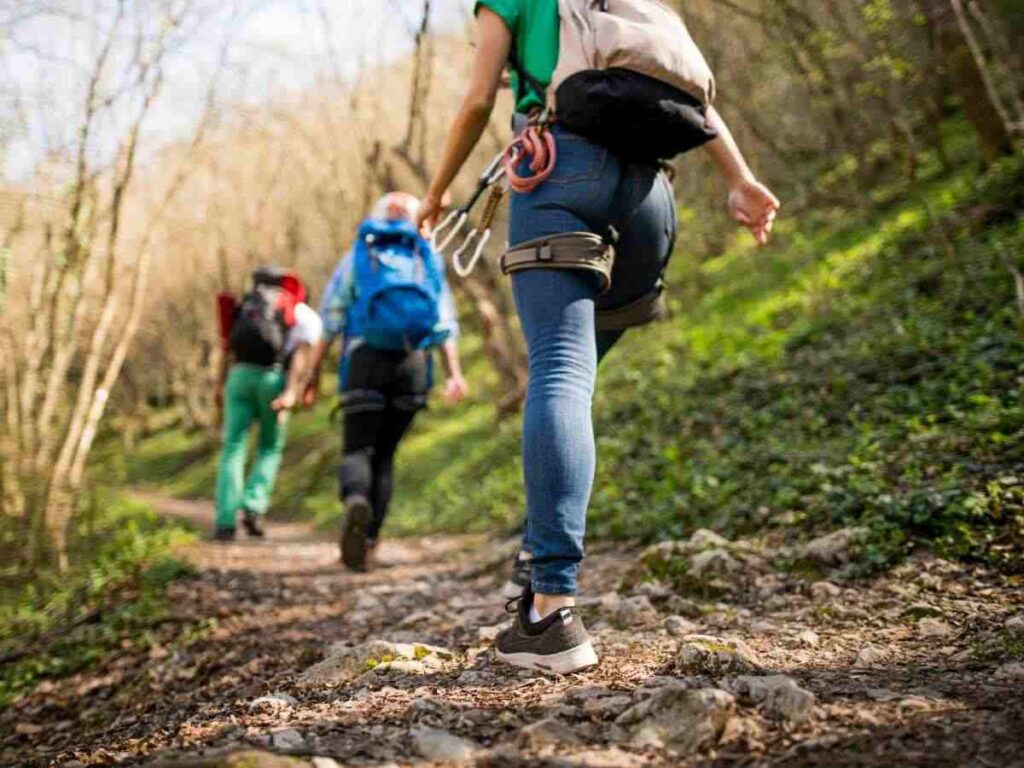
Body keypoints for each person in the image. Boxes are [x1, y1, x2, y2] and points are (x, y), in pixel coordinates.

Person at [418, 2, 781, 673]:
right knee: (571, 378)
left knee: (560, 372)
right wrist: (740, 178)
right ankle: (540, 561)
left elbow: (475, 102)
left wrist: (437, 192)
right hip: (651, 200)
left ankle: (550, 610)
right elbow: (692, 90)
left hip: (556, 170)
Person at [309, 192, 469, 571]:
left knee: (358, 448)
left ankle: (354, 500)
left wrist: (311, 375)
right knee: (385, 456)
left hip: (365, 359)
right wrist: (455, 375)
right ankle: (369, 542)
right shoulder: (426, 256)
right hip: (413, 363)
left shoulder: (361, 255)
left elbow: (330, 317)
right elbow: (444, 323)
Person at [213, 267, 322, 541]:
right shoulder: (298, 312)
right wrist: (291, 392)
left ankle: (225, 521)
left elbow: (226, 347)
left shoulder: (247, 305)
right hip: (272, 379)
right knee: (270, 447)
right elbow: (300, 355)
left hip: (238, 376)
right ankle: (253, 506)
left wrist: (219, 384)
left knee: (233, 448)